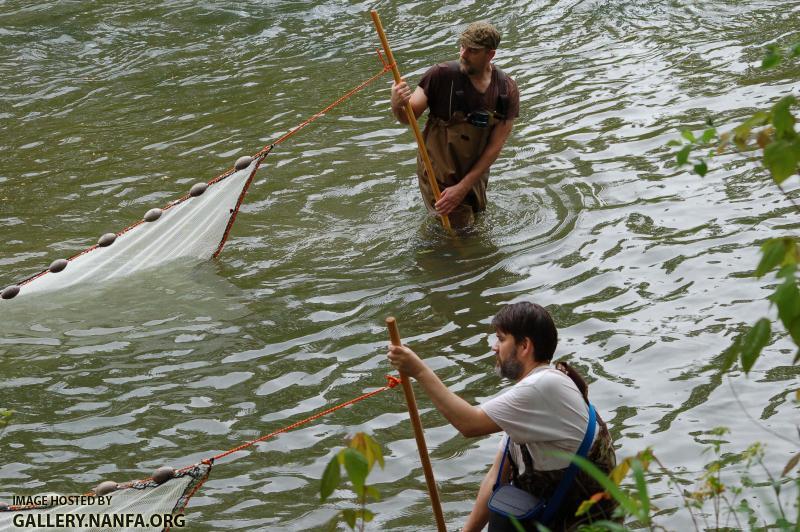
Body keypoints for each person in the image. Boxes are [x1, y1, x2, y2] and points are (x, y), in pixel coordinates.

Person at [386, 302, 618, 531]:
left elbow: (469, 424)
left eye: (501, 338)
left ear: (525, 345)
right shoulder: (530, 398)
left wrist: (419, 371)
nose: (494, 347)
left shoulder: (542, 386)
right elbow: (496, 478)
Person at [390, 22, 520, 227]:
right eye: (462, 46)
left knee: (475, 224)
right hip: (437, 172)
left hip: (475, 174)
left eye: (473, 50)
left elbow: (495, 147)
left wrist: (463, 187)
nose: (463, 54)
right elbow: (408, 118)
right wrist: (397, 104)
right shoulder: (440, 75)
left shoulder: (506, 89)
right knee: (458, 230)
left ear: (490, 54)